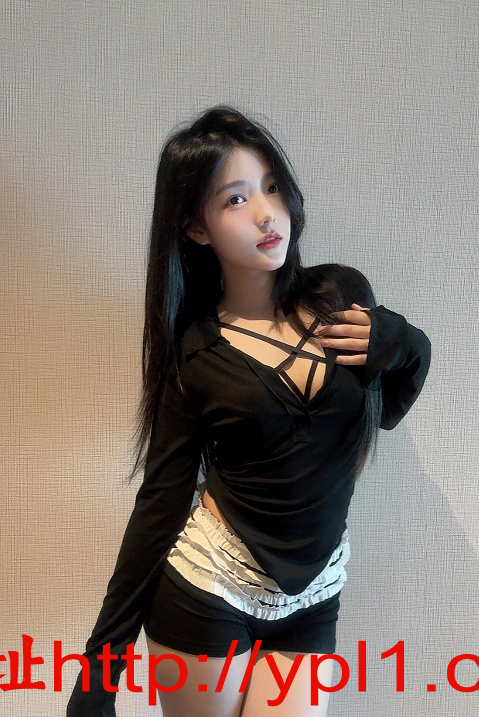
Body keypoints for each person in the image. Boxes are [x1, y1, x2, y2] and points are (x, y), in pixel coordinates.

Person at [66, 104, 431, 717]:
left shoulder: (341, 296)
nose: (266, 213)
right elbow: (159, 503)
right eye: (235, 199)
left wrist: (410, 345)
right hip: (209, 586)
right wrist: (99, 676)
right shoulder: (195, 354)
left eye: (271, 187)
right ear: (196, 227)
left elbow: (385, 410)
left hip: (314, 595)